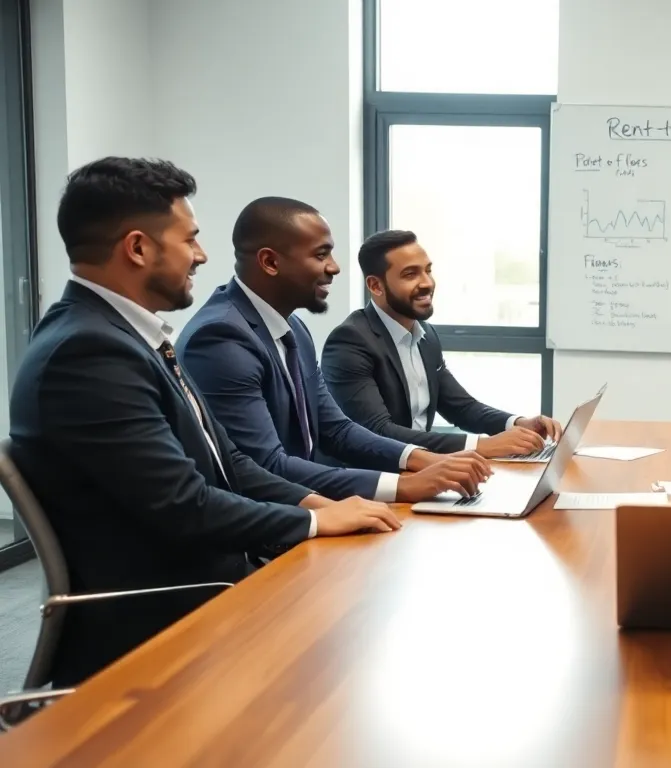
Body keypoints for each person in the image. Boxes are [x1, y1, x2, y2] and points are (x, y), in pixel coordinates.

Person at [8, 158, 401, 686]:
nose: (202, 255)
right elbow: (183, 503)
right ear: (139, 248)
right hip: (163, 624)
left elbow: (228, 461)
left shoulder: (127, 336)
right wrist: (310, 524)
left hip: (213, 588)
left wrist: (319, 506)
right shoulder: (87, 352)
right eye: (189, 239)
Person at [176, 197, 490, 504]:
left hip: (305, 509)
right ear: (270, 262)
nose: (334, 268)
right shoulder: (220, 338)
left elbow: (336, 429)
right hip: (260, 534)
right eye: (321, 255)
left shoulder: (294, 328)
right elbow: (266, 465)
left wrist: (423, 460)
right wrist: (402, 486)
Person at [321, 230, 561, 458]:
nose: (427, 283)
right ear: (376, 286)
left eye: (428, 270)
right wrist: (480, 446)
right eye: (410, 274)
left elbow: (461, 407)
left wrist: (517, 424)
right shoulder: (349, 342)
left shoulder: (426, 334)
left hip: (423, 470)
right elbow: (379, 431)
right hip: (369, 482)